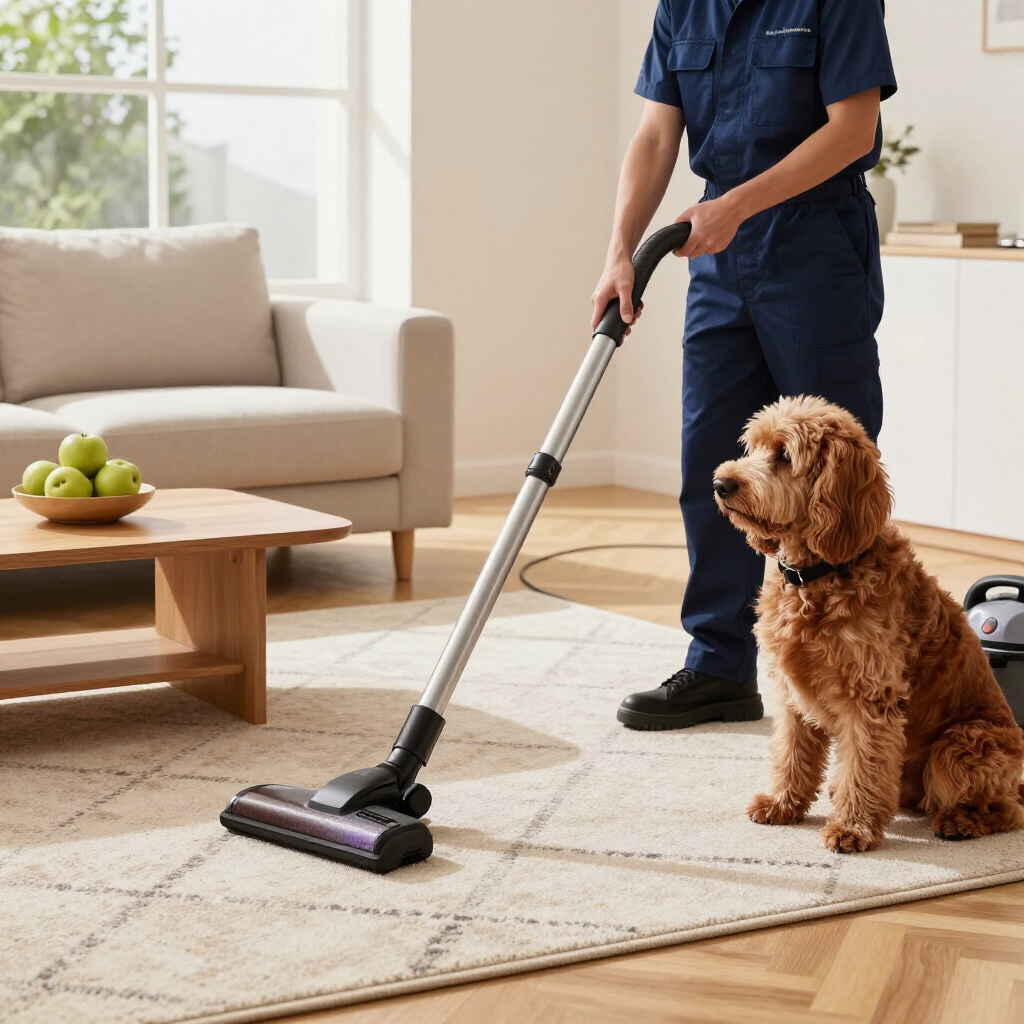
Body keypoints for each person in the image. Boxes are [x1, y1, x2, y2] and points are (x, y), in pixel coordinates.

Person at [593, 0, 897, 730]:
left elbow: (854, 130)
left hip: (814, 242)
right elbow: (657, 135)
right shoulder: (682, 7)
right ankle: (718, 666)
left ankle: (854, 669)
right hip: (718, 254)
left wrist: (738, 205)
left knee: (833, 470)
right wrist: (621, 252)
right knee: (715, 460)